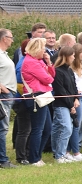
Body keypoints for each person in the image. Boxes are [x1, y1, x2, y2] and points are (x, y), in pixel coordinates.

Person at [21, 37, 55, 166]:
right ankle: (34, 158)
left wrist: (49, 63)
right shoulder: (31, 62)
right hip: (35, 96)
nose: (44, 51)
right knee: (38, 129)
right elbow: (48, 79)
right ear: (36, 49)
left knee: (47, 129)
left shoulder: (38, 61)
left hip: (43, 95)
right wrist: (48, 73)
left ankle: (37, 156)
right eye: (42, 49)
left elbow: (52, 75)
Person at [51, 47, 79, 163]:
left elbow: (73, 86)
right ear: (66, 56)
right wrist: (70, 105)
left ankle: (61, 152)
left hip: (70, 102)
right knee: (66, 127)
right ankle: (59, 155)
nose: (74, 57)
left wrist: (76, 98)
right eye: (72, 55)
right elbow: (60, 91)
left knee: (61, 128)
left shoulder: (69, 70)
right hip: (61, 104)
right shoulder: (58, 71)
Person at [67, 44, 82, 162]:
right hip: (78, 98)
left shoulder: (81, 66)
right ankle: (74, 151)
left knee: (78, 124)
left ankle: (72, 150)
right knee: (76, 125)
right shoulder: (71, 68)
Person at [0, 28, 18, 168]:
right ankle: (3, 160)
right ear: (4, 38)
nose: (12, 40)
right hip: (4, 94)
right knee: (3, 128)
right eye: (11, 37)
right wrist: (4, 88)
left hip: (9, 93)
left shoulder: (4, 54)